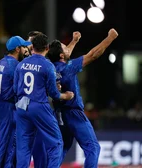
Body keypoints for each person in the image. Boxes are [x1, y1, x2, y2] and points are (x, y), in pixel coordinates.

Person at [47, 28, 118, 167]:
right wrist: (110, 38)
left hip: (59, 114)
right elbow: (93, 55)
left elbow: (64, 55)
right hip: (74, 113)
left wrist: (74, 41)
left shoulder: (50, 68)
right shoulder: (68, 67)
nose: (68, 48)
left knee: (62, 148)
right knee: (93, 148)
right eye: (64, 47)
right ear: (61, 55)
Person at [13, 33, 74, 168]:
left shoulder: (21, 64)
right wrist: (67, 96)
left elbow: (15, 89)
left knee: (24, 148)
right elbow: (54, 93)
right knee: (57, 144)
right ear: (47, 47)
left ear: (32, 47)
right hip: (39, 105)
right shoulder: (48, 65)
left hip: (22, 106)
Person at [0, 36, 31, 168]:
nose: (26, 50)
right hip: (7, 106)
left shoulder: (1, 62)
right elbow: (19, 88)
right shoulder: (15, 65)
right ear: (17, 49)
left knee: (7, 142)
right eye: (24, 47)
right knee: (6, 145)